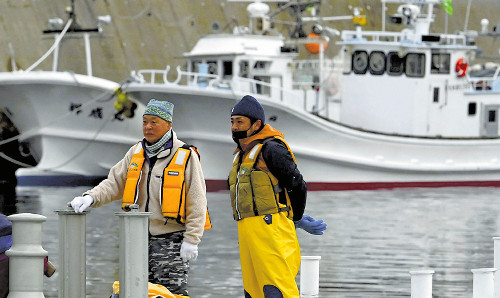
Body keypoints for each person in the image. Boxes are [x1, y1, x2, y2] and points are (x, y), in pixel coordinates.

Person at [70, 99, 210, 297]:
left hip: (171, 241)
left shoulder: (185, 156)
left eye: (154, 122)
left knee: (172, 293)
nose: (148, 127)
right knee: (136, 290)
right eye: (145, 122)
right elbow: (114, 183)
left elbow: (197, 201)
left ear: (169, 125)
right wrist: (90, 198)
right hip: (137, 238)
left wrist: (192, 240)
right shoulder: (135, 152)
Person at [229, 95, 327, 298]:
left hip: (271, 228)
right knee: (253, 291)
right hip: (247, 230)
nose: (234, 127)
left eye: (240, 122)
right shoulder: (242, 154)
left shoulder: (272, 148)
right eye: (232, 122)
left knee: (276, 290)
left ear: (256, 124)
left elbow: (297, 184)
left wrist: (296, 218)